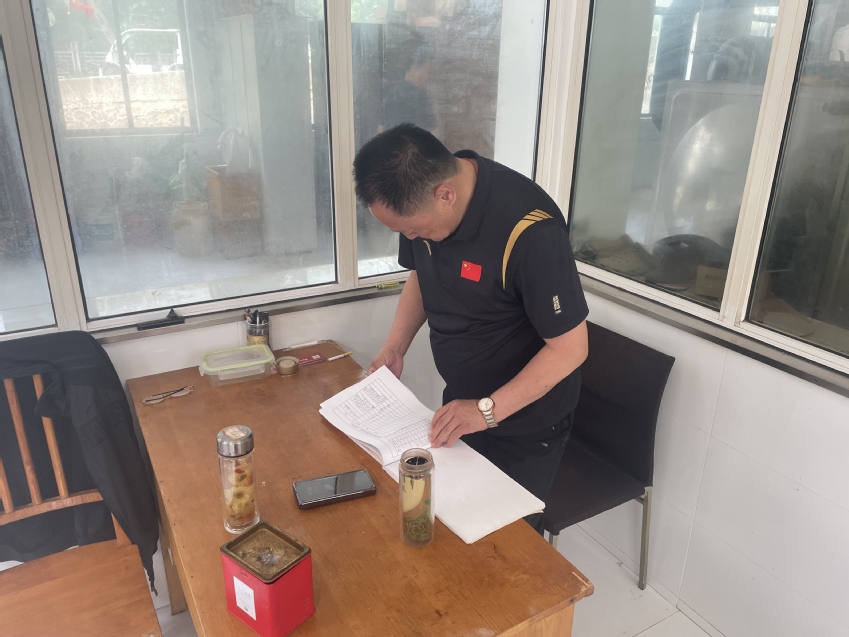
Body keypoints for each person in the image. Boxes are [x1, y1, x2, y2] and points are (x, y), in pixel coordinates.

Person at [353, 124, 589, 533]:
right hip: (462, 407)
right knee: (452, 528)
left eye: (412, 230)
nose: (410, 238)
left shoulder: (531, 230)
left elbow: (571, 349)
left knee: (507, 545)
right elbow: (421, 274)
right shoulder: (421, 199)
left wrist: (486, 411)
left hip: (524, 424)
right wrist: (395, 346)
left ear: (445, 195)